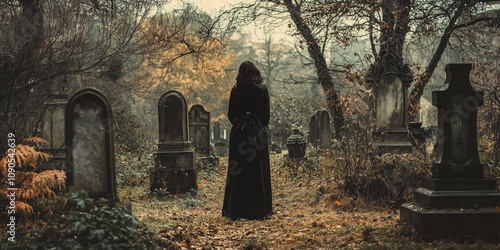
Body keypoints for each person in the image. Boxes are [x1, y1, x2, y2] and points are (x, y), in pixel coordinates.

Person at [222, 61, 273, 220]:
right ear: (256, 72)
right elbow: (266, 118)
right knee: (258, 170)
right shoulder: (263, 90)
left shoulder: (236, 90)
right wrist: (256, 125)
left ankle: (237, 211)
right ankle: (260, 210)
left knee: (238, 170)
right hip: (258, 133)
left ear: (240, 73)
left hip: (240, 134)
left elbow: (231, 114)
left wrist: (241, 124)